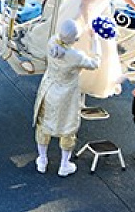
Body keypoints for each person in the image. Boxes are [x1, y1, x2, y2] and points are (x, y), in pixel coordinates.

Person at [30, 0, 135, 98]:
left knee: (105, 46)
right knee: (81, 39)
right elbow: (85, 4)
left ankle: (93, 79)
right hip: (83, 11)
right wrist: (89, 25)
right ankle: (72, 71)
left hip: (99, 9)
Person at [34, 19, 101, 177]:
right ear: (75, 40)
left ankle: (42, 160)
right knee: (67, 128)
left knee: (43, 124)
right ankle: (64, 164)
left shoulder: (52, 42)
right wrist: (95, 41)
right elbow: (95, 64)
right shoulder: (76, 56)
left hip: (48, 89)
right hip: (67, 95)